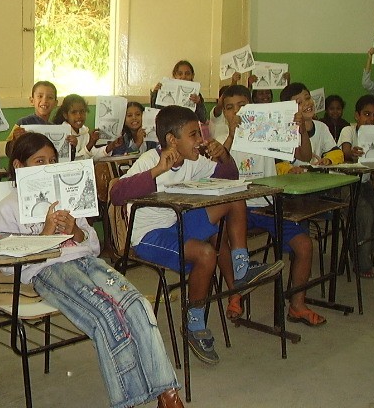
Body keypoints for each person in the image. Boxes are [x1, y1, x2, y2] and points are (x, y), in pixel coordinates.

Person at [0, 132, 184, 408]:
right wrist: (47, 232)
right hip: (49, 269)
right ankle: (129, 399)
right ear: (19, 166)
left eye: (52, 160)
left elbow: (93, 244)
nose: (48, 166)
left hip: (87, 261)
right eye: (39, 161)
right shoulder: (9, 206)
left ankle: (167, 393)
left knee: (138, 305)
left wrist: (75, 231)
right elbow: (8, 267)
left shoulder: (67, 194)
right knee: (106, 315)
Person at [111, 105, 284, 365]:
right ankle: (194, 324)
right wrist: (157, 170)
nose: (200, 140)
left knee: (234, 196)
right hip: (150, 237)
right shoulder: (149, 160)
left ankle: (240, 267)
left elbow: (230, 177)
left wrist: (224, 156)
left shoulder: (194, 160)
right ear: (172, 140)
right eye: (193, 135)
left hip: (178, 222)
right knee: (205, 255)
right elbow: (116, 194)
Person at [217, 85, 327, 326]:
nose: (236, 112)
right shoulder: (219, 141)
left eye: (242, 107)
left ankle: (297, 305)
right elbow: (215, 171)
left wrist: (301, 130)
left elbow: (305, 156)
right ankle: (235, 290)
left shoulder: (266, 132)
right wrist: (232, 136)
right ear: (223, 112)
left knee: (305, 245)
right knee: (217, 238)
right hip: (236, 209)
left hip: (268, 205)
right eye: (230, 108)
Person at [338, 95, 374, 278]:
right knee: (365, 214)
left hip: (364, 185)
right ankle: (362, 263)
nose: (371, 119)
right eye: (367, 114)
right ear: (357, 116)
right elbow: (345, 151)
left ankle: (359, 251)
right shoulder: (349, 130)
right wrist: (351, 153)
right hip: (343, 183)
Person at [280, 83, 344, 168]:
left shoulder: (321, 127)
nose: (307, 103)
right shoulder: (285, 133)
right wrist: (290, 169)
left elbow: (336, 152)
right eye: (299, 103)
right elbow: (279, 164)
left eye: (307, 98)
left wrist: (328, 160)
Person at [52, 94, 121, 160]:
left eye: (82, 111)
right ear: (65, 115)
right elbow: (76, 161)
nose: (79, 116)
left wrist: (112, 146)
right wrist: (91, 143)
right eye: (74, 112)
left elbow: (92, 155)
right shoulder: (63, 134)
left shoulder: (84, 131)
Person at [6, 81, 59, 158]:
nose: (45, 100)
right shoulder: (22, 123)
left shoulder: (56, 128)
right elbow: (9, 152)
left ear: (55, 103)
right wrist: (15, 140)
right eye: (40, 96)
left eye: (50, 97)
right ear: (32, 101)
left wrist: (72, 145)